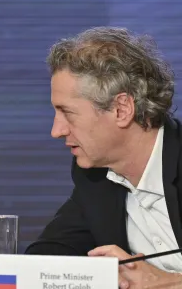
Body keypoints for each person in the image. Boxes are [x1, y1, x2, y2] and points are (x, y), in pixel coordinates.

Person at [25, 27, 182, 288]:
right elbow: (48, 256)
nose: (56, 131)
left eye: (68, 113)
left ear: (121, 109)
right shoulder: (94, 176)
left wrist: (167, 282)